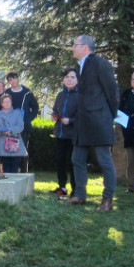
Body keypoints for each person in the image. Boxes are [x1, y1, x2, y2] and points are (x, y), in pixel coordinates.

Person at [68, 35, 118, 210]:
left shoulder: (100, 64)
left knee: (104, 160)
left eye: (75, 44)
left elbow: (112, 91)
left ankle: (107, 200)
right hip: (82, 123)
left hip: (98, 121)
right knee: (77, 158)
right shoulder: (78, 67)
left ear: (86, 47)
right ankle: (80, 195)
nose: (72, 48)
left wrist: (110, 116)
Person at [51, 68, 79, 196]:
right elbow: (55, 109)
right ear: (63, 79)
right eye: (67, 77)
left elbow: (84, 116)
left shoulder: (81, 96)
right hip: (60, 134)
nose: (69, 79)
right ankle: (62, 187)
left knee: (73, 162)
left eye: (72, 77)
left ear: (77, 80)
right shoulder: (60, 95)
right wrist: (53, 115)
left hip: (74, 136)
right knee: (60, 161)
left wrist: (71, 120)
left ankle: (75, 189)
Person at [4, 72, 39, 172]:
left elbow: (35, 107)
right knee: (12, 150)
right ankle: (13, 173)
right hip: (11, 127)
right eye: (10, 80)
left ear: (18, 79)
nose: (12, 81)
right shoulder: (7, 93)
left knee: (23, 149)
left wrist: (28, 118)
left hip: (24, 126)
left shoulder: (27, 93)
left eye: (14, 78)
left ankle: (24, 172)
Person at [0, 94, 27, 173]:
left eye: (9, 101)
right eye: (5, 102)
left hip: (14, 141)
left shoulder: (17, 113)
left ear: (11, 102)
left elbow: (21, 126)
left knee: (14, 163)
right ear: (2, 104)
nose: (7, 103)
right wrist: (1, 131)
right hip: (2, 141)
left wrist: (11, 130)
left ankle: (14, 182)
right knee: (5, 163)